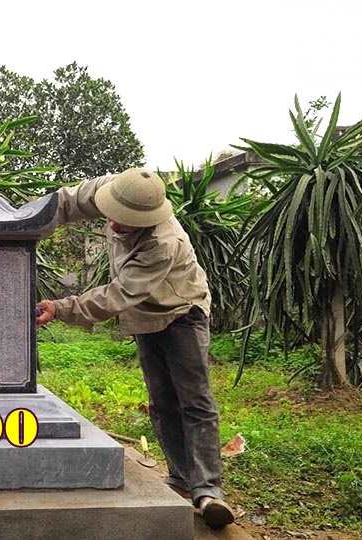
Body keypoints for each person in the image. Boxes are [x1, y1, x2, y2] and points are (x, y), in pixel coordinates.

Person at [35, 168, 236, 528]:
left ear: (147, 220)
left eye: (124, 221)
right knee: (161, 400)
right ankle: (180, 478)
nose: (113, 223)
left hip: (181, 312)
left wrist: (62, 307)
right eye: (112, 213)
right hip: (143, 314)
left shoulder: (163, 243)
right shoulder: (112, 190)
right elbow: (65, 201)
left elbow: (118, 294)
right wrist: (24, 223)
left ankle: (208, 491)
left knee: (195, 400)